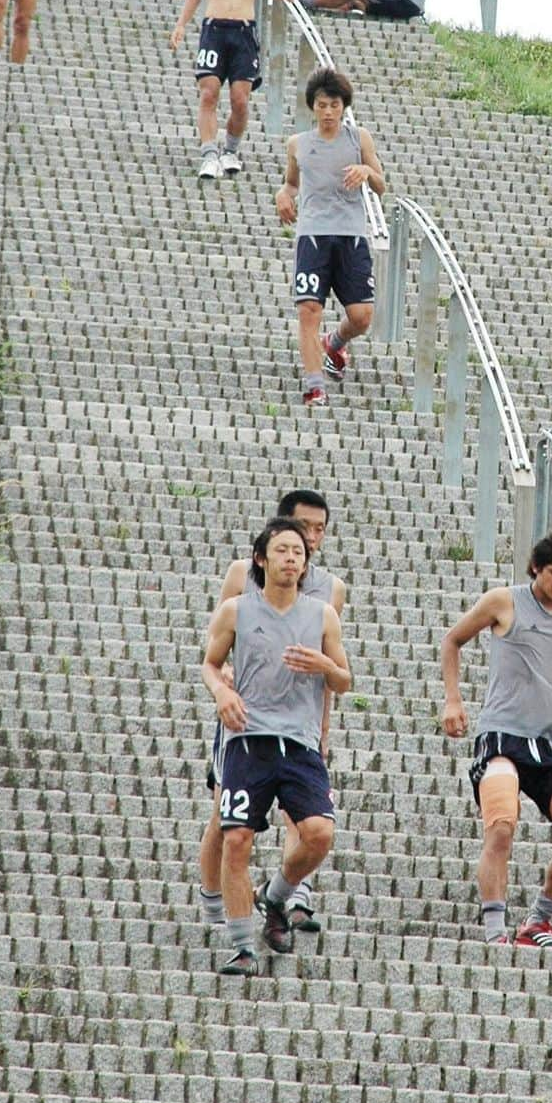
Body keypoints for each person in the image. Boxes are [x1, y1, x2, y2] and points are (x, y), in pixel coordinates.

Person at [440, 528, 552, 949]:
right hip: (502, 736)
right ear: (537, 567)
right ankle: (494, 931)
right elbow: (453, 640)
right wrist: (453, 700)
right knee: (502, 826)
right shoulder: (504, 600)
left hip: (547, 741)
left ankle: (538, 919)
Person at [202, 517, 350, 976]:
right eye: (283, 550)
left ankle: (276, 897)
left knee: (319, 834)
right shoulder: (237, 611)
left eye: (299, 553)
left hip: (300, 742)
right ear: (262, 559)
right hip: (248, 738)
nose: (291, 559)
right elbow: (209, 663)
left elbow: (344, 681)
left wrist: (325, 663)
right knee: (237, 838)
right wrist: (222, 693)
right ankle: (244, 947)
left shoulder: (322, 615)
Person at [275, 68, 386, 408]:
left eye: (334, 105)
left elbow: (381, 184)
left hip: (350, 235)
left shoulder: (358, 139)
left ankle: (334, 343)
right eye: (321, 105)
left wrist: (367, 172)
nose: (327, 112)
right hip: (313, 236)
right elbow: (291, 182)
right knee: (309, 309)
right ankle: (314, 386)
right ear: (313, 107)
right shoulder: (298, 145)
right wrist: (284, 194)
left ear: (343, 107)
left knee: (362, 317)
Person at [169, 0, 292, 180]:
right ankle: (209, 153)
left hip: (244, 33)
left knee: (240, 99)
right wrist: (181, 25)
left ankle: (230, 150)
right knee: (209, 93)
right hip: (214, 30)